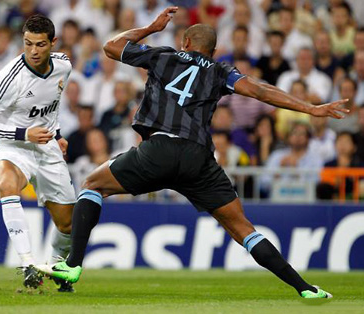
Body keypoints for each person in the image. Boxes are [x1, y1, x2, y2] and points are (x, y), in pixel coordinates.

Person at [38, 7, 348, 299]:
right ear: (213, 51)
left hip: (158, 150)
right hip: (199, 160)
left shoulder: (163, 56)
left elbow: (111, 46)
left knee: (92, 186)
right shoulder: (219, 71)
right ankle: (304, 287)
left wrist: (151, 28)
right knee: (242, 228)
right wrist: (310, 108)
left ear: (185, 42)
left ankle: (73, 264)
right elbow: (259, 90)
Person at [0, 14, 76, 293]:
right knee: (7, 184)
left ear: (53, 43)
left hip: (46, 147)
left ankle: (54, 265)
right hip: (14, 147)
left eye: (40, 45)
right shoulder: (8, 78)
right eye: (28, 43)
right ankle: (27, 263)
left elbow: (51, 105)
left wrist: (57, 134)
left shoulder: (64, 66)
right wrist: (24, 134)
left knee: (68, 224)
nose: (33, 51)